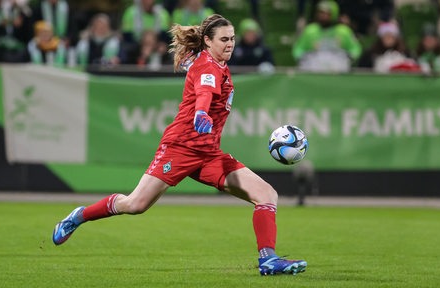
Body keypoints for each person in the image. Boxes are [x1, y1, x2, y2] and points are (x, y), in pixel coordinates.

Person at [52, 14, 307, 276]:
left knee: (266, 195)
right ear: (207, 41)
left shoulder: (215, 63)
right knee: (135, 204)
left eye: (232, 38)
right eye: (224, 39)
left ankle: (268, 260)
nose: (230, 44)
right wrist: (201, 113)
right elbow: (204, 92)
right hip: (181, 148)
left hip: (208, 154)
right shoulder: (208, 66)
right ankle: (79, 216)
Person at [292, 0, 362, 72]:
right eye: (320, 13)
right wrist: (302, 57)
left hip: (338, 68)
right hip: (314, 67)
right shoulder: (310, 30)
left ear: (334, 14)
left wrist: (350, 57)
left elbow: (355, 49)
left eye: (326, 14)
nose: (322, 16)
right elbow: (298, 49)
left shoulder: (343, 31)